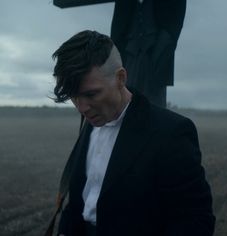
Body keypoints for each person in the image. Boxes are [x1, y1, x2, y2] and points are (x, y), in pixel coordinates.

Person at [52, 30, 215, 236]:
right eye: (73, 96)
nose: (81, 107)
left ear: (121, 78)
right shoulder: (92, 121)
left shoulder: (171, 132)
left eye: (91, 94)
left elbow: (195, 220)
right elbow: (79, 200)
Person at [53, 0, 186, 107]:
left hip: (155, 55)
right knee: (126, 97)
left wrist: (160, 52)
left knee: (153, 102)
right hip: (128, 53)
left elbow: (173, 25)